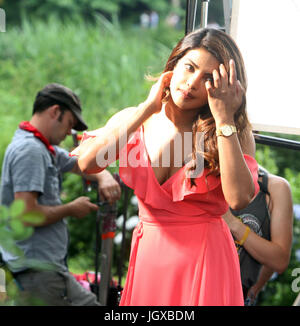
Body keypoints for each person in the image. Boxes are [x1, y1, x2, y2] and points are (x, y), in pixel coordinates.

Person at [72, 28, 259, 306]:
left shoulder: (231, 131)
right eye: (190, 67)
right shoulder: (137, 119)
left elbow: (239, 198)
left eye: (208, 78)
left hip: (204, 262)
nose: (193, 83)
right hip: (149, 257)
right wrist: (146, 109)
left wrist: (224, 119)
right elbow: (87, 164)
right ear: (173, 65)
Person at [0, 83, 121, 306]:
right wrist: (71, 209)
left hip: (45, 267)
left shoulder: (42, 147)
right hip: (37, 270)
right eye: (69, 124)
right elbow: (26, 214)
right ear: (55, 112)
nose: (69, 133)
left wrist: (103, 176)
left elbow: (78, 163)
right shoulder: (31, 151)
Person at [223, 167, 293, 305]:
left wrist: (232, 223)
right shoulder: (200, 175)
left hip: (239, 293)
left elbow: (279, 260)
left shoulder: (273, 188)